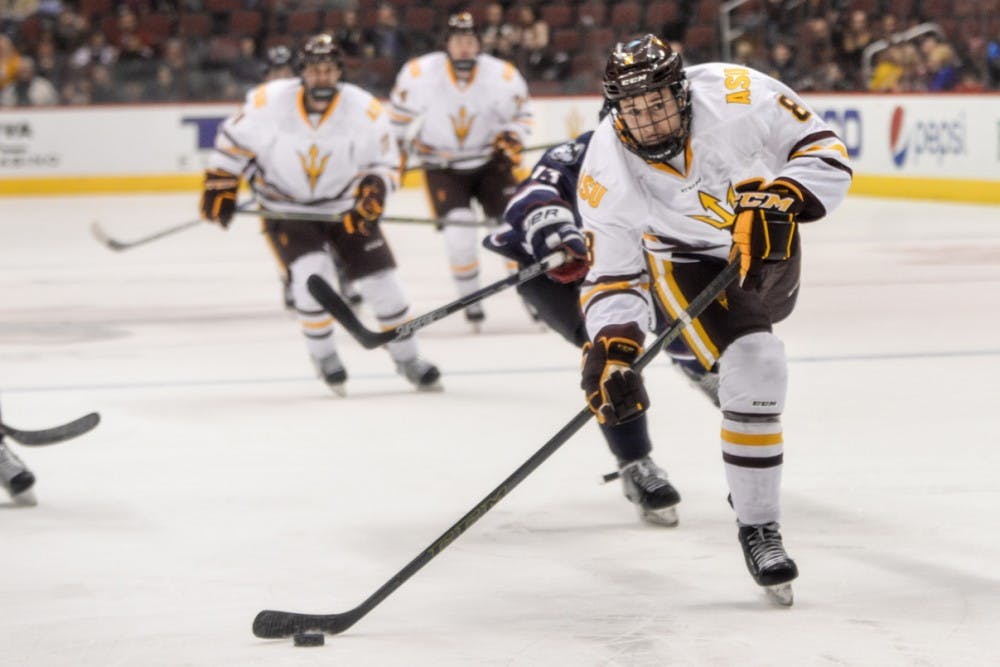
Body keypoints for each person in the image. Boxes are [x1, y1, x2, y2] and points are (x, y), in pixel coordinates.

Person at [574, 35, 852, 602]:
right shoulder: (605, 169)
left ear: (682, 93)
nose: (648, 123)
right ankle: (759, 526)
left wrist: (785, 196)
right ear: (614, 110)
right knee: (758, 364)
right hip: (685, 259)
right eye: (632, 110)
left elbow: (826, 152)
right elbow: (613, 276)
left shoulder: (737, 92)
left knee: (761, 347)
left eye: (657, 104)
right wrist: (616, 344)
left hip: (767, 240)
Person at [484, 111, 720, 526]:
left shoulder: (683, 156)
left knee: (680, 310)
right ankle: (635, 463)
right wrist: (554, 232)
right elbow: (530, 195)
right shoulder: (580, 152)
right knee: (609, 354)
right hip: (558, 276)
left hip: (631, 264)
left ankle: (696, 363)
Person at [200, 34, 440, 395]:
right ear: (303, 73)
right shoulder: (269, 101)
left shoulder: (364, 109)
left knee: (386, 286)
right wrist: (220, 181)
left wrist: (374, 192)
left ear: (339, 72)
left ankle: (408, 358)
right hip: (286, 208)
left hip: (344, 207)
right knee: (312, 279)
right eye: (315, 70)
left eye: (329, 70)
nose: (322, 76)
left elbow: (388, 162)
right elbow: (231, 143)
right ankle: (325, 356)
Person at [388, 11, 533, 330]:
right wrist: (394, 154)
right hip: (443, 167)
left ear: (479, 44)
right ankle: (471, 301)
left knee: (512, 230)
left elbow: (522, 116)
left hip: (491, 165)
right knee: (459, 234)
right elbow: (396, 122)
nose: (464, 48)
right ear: (447, 44)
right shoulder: (419, 73)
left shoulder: (502, 76)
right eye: (458, 41)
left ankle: (533, 295)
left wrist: (513, 137)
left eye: (470, 41)